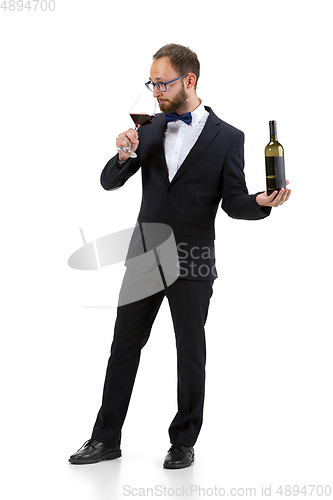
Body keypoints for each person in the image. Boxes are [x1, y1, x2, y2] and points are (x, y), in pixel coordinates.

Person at [69, 44, 291, 469]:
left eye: (162, 83)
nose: (155, 91)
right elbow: (109, 182)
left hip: (193, 259)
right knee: (123, 349)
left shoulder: (229, 137)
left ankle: (183, 441)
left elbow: (233, 200)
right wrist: (122, 154)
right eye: (151, 83)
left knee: (190, 351)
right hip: (144, 255)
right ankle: (105, 438)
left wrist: (261, 202)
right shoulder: (149, 128)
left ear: (189, 81)